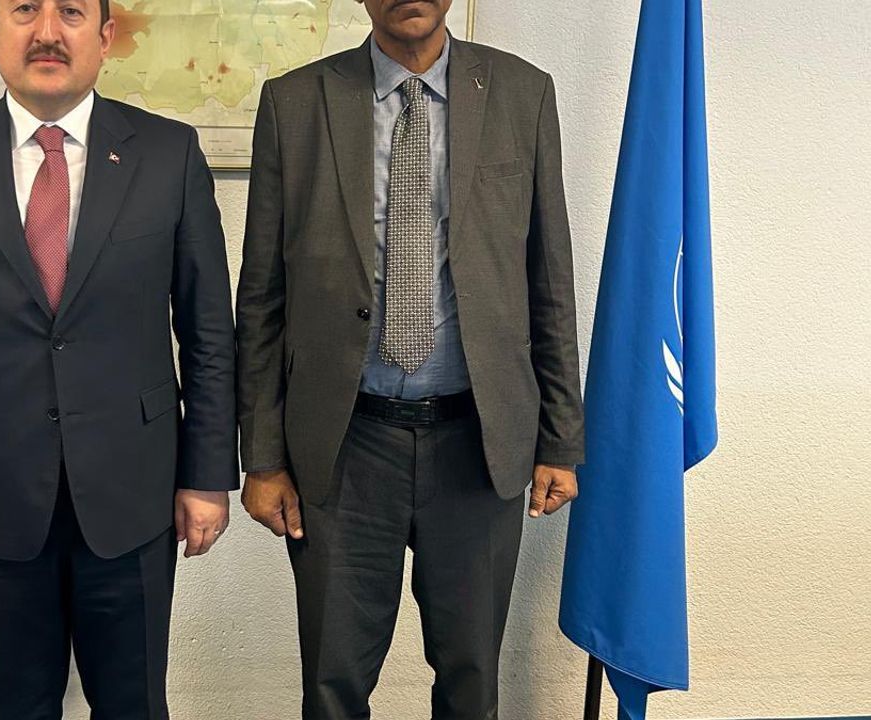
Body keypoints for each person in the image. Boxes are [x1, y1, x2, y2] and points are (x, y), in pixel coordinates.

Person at [0, 0, 238, 716]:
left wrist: (206, 476)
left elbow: (208, 332)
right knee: (14, 706)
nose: (47, 32)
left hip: (133, 496)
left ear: (105, 36)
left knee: (133, 706)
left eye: (71, 11)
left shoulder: (168, 154)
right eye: (24, 10)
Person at [236, 0, 585, 716]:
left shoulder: (522, 93)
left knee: (470, 681)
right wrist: (262, 456)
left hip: (477, 443)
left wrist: (560, 441)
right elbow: (262, 297)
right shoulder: (295, 103)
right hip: (344, 445)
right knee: (332, 684)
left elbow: (549, 281)